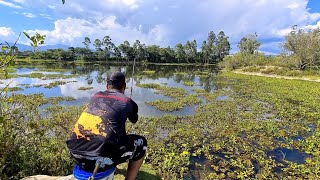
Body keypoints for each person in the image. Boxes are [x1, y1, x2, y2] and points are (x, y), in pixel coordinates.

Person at [67, 71, 147, 180]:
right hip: (99, 157)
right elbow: (134, 120)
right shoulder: (127, 101)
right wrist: (131, 105)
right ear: (124, 86)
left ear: (107, 86)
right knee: (142, 143)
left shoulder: (96, 95)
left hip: (74, 152)